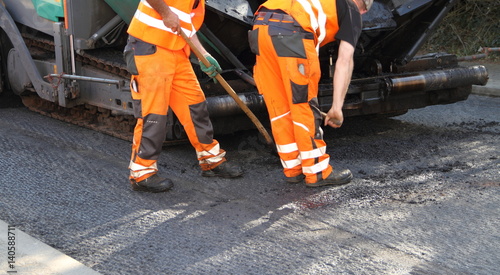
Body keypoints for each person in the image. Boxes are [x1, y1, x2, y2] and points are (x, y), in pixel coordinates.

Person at [248, 0, 373, 187]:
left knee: (279, 105)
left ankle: (293, 168)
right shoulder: (351, 7)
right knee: (303, 104)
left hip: (261, 25)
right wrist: (337, 108)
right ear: (362, 7)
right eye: (363, 12)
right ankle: (317, 172)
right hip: (291, 31)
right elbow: (345, 60)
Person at [124, 0, 243, 192]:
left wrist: (203, 54)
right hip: (150, 48)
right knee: (153, 115)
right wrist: (166, 13)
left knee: (196, 107)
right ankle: (142, 173)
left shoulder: (197, 3)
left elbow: (185, 27)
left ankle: (211, 161)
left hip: (177, 52)